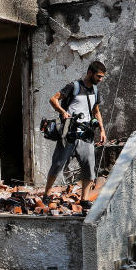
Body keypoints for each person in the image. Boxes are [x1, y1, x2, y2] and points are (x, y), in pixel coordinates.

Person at [43, 61, 107, 208]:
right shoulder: (74, 86)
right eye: (99, 76)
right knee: (57, 165)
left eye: (102, 77)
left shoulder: (96, 91)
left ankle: (84, 200)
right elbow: (53, 99)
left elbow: (96, 111)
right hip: (69, 134)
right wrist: (63, 112)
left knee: (89, 168)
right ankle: (46, 194)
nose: (100, 79)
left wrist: (102, 130)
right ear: (90, 73)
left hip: (86, 135)